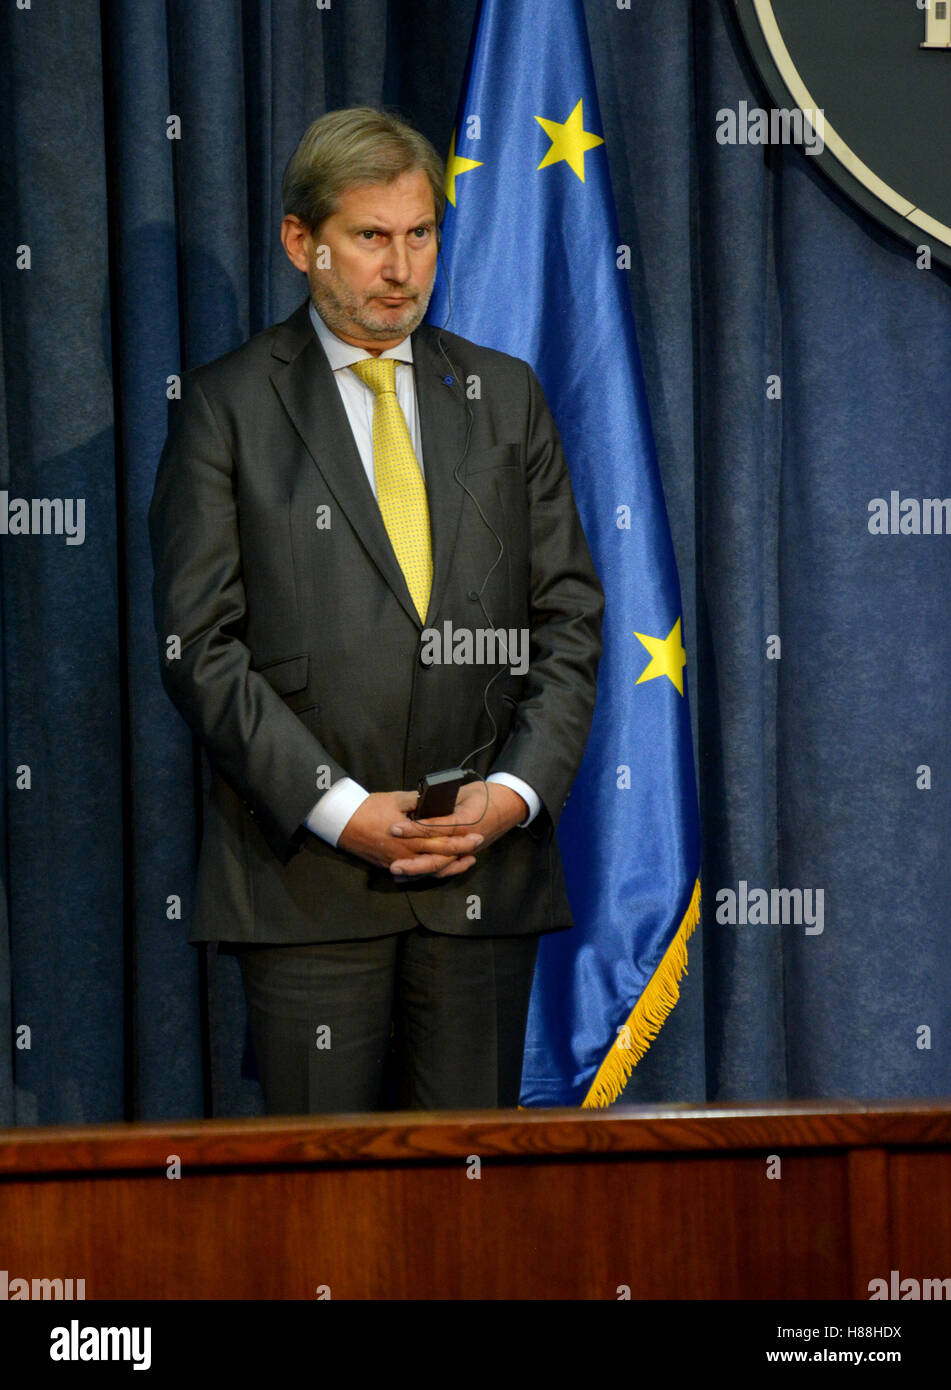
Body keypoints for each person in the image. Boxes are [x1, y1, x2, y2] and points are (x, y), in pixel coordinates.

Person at [148, 106, 603, 1115]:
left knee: (467, 1222)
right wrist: (344, 812)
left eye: (421, 233)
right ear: (300, 242)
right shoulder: (225, 408)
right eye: (370, 237)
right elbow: (199, 647)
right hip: (307, 885)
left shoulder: (506, 395)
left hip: (482, 878)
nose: (402, 267)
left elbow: (569, 620)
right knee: (328, 1227)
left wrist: (515, 793)